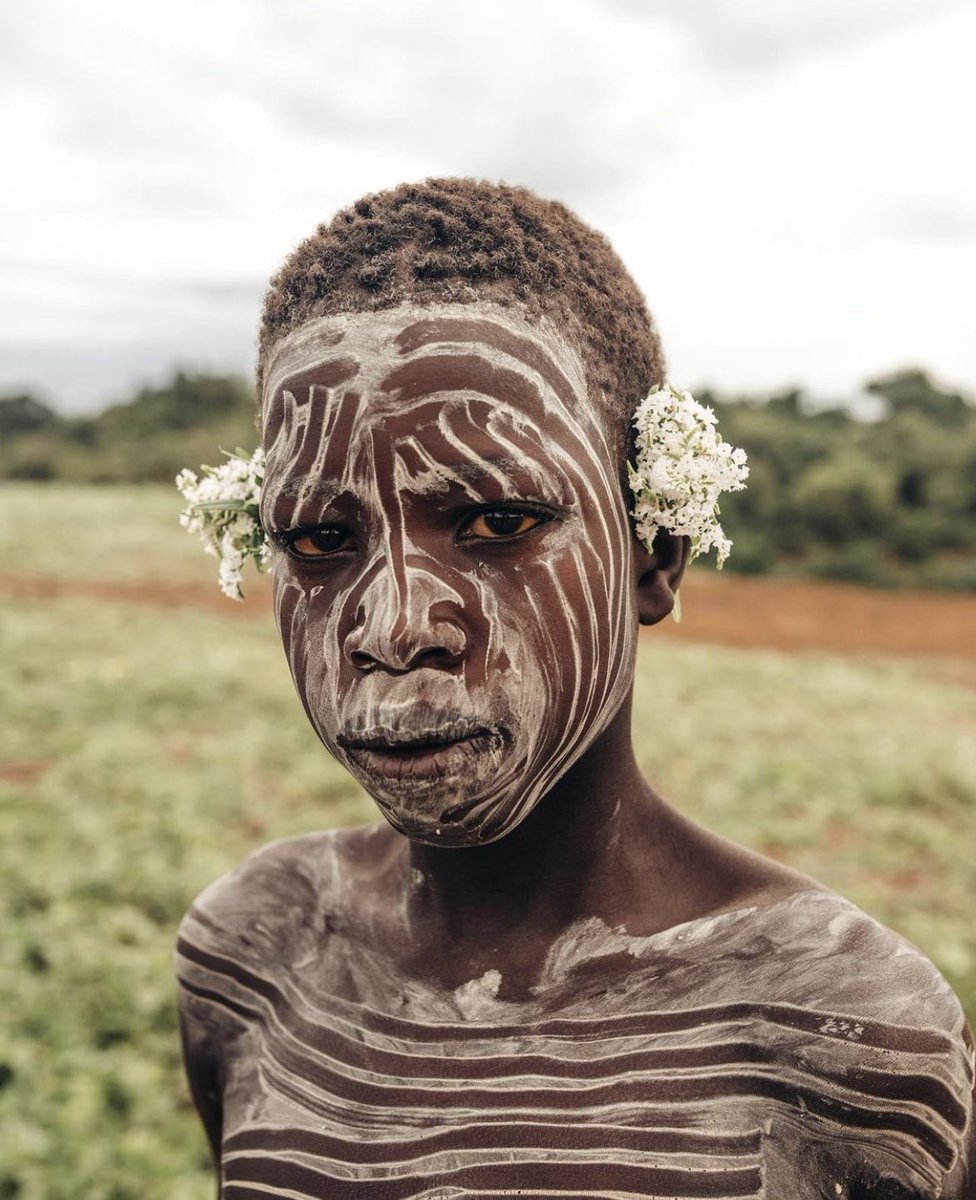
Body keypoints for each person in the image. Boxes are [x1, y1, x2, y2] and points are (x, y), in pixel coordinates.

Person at [176, 178, 974, 1199]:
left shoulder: (846, 1040)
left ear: (654, 553)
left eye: (498, 522)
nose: (392, 627)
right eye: (321, 541)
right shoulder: (251, 953)